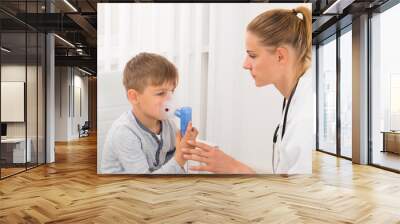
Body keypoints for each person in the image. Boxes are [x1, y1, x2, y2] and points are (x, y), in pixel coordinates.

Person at [182, 6, 313, 174]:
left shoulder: (304, 118)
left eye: (252, 55)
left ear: (280, 56)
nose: (245, 64)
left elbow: (296, 197)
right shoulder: (293, 99)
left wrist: (234, 168)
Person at [101, 52, 198, 174]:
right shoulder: (124, 133)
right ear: (134, 97)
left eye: (171, 92)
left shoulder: (167, 124)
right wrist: (180, 158)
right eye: (161, 93)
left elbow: (172, 161)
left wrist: (184, 144)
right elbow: (145, 185)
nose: (169, 99)